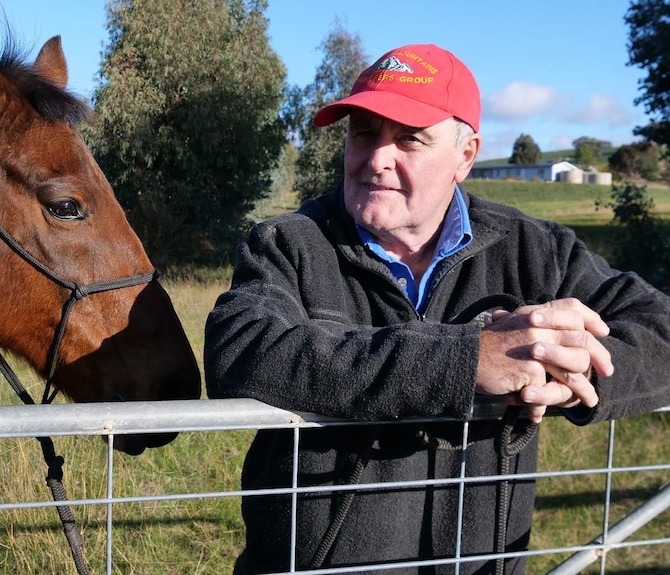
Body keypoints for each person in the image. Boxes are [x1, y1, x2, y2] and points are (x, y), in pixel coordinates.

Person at [204, 43, 670, 575]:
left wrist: (572, 366)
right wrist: (467, 360)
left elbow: (661, 327)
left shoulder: (534, 250)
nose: (377, 157)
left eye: (409, 138)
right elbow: (241, 348)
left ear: (465, 155)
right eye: (363, 133)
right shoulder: (288, 244)